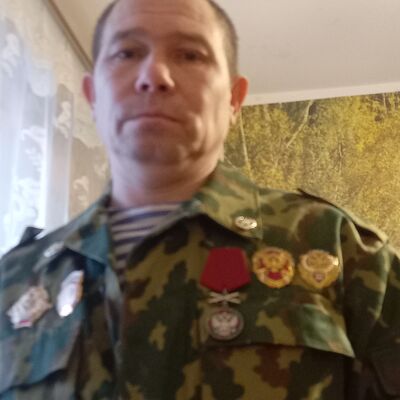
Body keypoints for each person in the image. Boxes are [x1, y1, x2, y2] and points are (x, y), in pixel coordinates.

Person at [0, 0, 399, 398]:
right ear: (92, 97)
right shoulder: (16, 280)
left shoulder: (340, 250)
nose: (154, 75)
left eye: (190, 55)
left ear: (234, 99)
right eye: (127, 53)